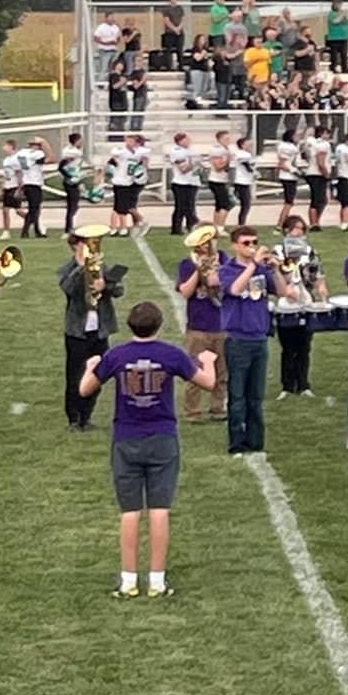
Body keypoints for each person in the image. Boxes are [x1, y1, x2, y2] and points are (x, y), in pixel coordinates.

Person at [78, 300, 214, 597]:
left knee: (129, 512)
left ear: (130, 325)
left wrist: (90, 368)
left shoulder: (117, 355)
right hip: (162, 438)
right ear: (159, 325)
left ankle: (128, 581)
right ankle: (157, 580)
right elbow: (208, 382)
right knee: (159, 510)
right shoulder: (170, 354)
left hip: (126, 437)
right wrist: (209, 361)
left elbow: (85, 390)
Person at [220, 227, 292, 457]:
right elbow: (234, 289)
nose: (250, 246)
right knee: (237, 396)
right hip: (238, 339)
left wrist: (276, 269)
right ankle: (236, 443)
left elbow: (282, 292)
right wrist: (253, 265)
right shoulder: (227, 270)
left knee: (256, 396)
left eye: (254, 242)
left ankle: (256, 441)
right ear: (235, 245)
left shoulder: (262, 270)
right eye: (245, 243)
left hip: (259, 338)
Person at [60, 229, 124, 431]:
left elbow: (119, 290)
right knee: (75, 375)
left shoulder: (102, 266)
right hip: (77, 331)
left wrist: (105, 285)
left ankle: (87, 416)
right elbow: (68, 288)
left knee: (97, 374)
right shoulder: (67, 268)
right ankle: (73, 417)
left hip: (100, 329)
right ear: (75, 246)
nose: (87, 248)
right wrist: (81, 266)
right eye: (83, 244)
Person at [175, 232, 228, 424]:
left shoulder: (222, 258)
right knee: (194, 372)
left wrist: (212, 268)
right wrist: (199, 270)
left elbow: (219, 283)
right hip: (197, 327)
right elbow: (186, 292)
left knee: (221, 372)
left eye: (208, 242)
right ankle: (193, 412)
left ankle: (217, 408)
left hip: (221, 324)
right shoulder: (186, 264)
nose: (205, 246)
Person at [273, 218, 324, 399]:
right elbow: (274, 276)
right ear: (286, 231)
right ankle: (287, 386)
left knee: (304, 347)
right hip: (285, 304)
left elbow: (315, 274)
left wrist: (320, 287)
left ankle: (303, 385)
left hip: (305, 301)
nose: (299, 233)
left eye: (302, 229)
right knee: (287, 347)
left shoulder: (309, 252)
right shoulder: (277, 252)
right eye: (295, 229)